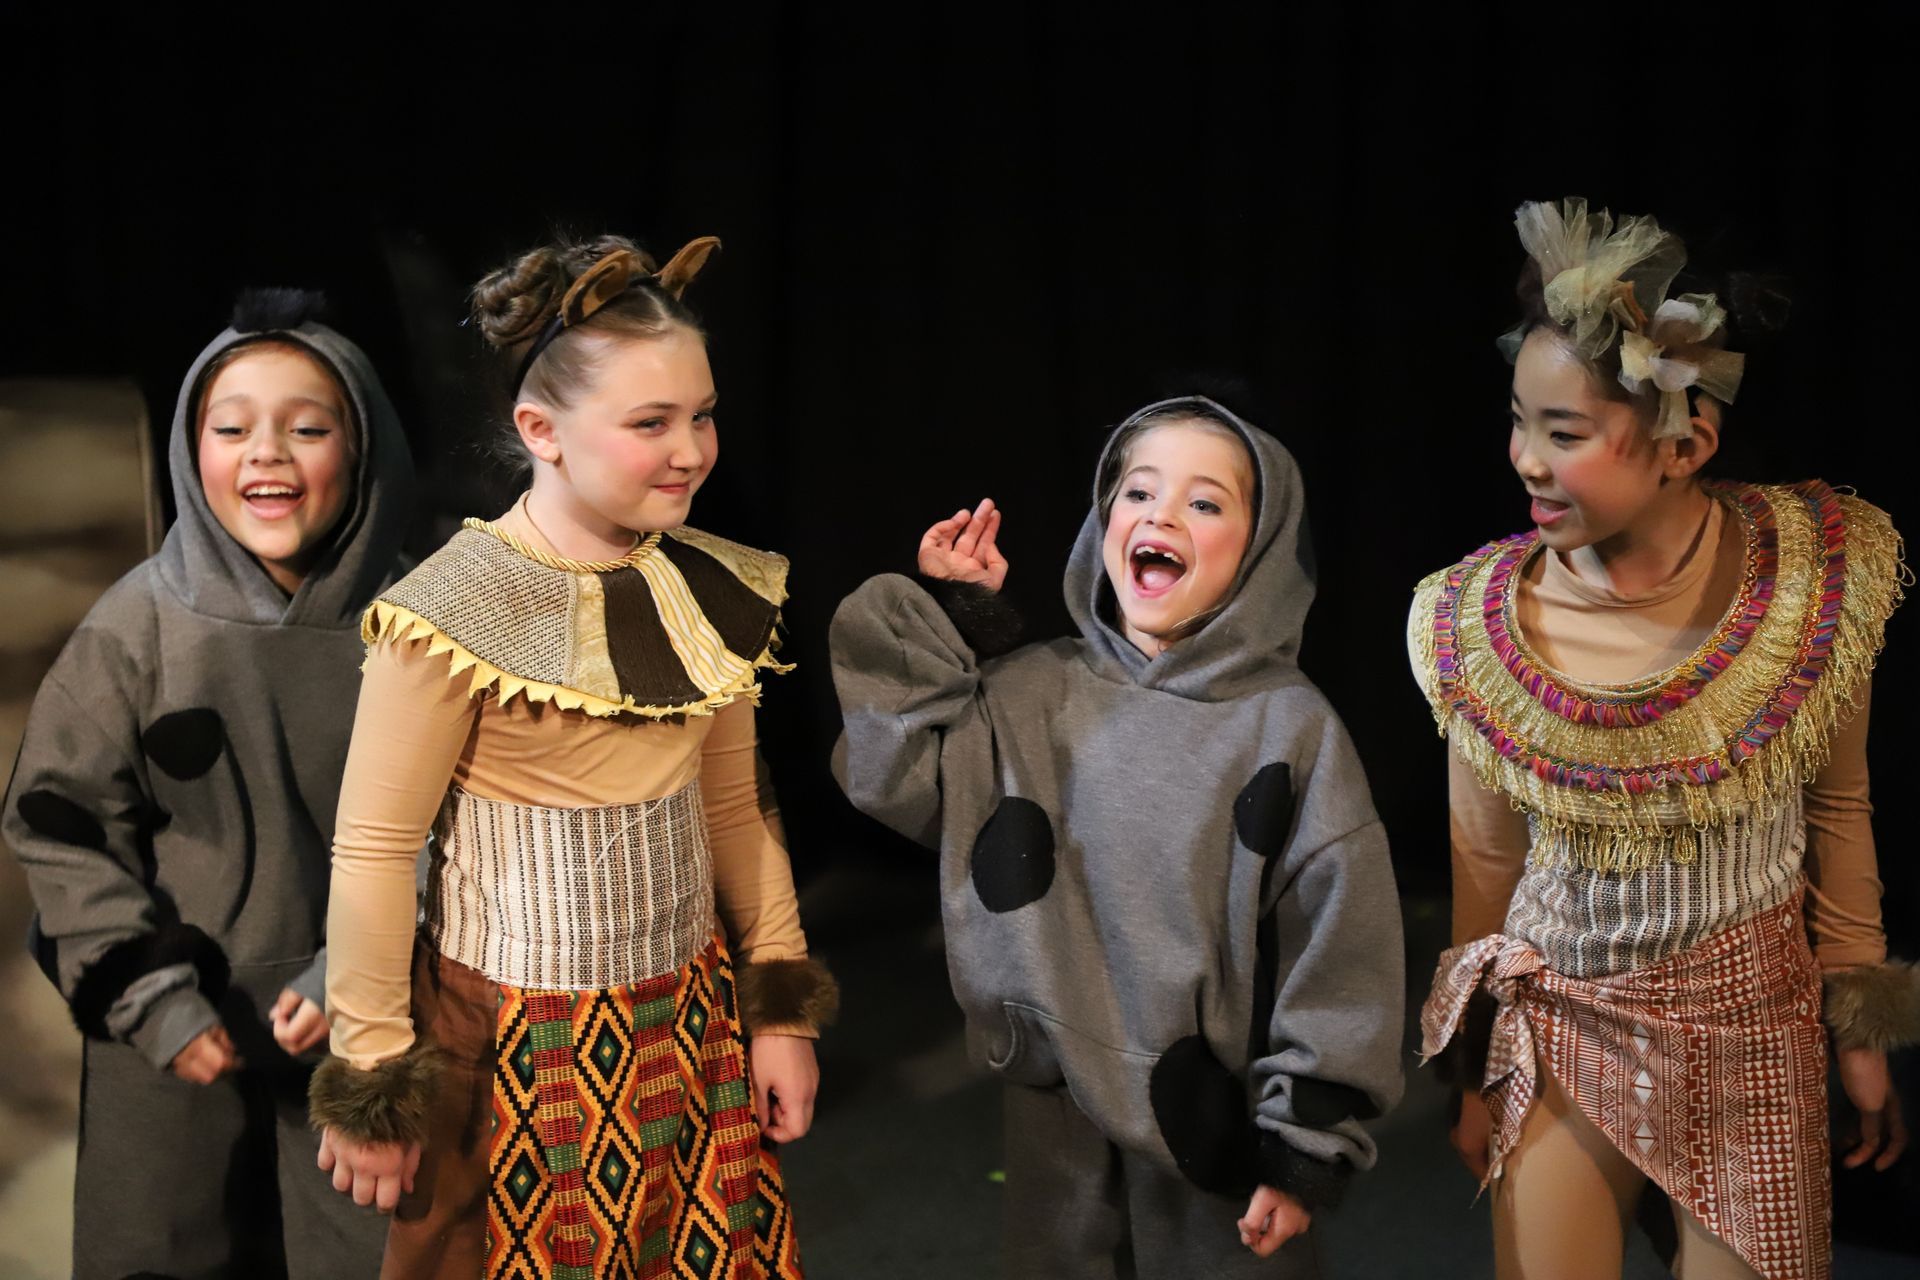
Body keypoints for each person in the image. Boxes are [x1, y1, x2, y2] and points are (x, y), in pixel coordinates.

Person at [308, 235, 828, 1280]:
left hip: (683, 1030)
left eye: (703, 414)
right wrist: (372, 1068)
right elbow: (371, 850)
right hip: (506, 1049)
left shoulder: (707, 592)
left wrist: (777, 1005)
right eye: (651, 423)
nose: (689, 448)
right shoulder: (452, 614)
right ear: (540, 429)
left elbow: (732, 810)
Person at [1414, 197, 1914, 1280]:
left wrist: (1859, 1026)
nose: (1526, 460)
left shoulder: (1810, 582)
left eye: (1566, 432)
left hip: (1751, 1026)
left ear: (1687, 441)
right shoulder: (1474, 623)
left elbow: (1836, 806)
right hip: (1564, 1021)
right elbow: (1487, 857)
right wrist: (1471, 1072)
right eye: (1517, 422)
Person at [832, 396, 1404, 1278]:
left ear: (1261, 549)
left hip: (1214, 1122)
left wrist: (1303, 1148)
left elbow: (1340, 948)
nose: (1162, 515)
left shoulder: (1287, 731)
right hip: (1053, 1100)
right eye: (1138, 492)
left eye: (1205, 503)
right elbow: (891, 777)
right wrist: (956, 623)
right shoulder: (1031, 690)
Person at [4, 289, 413, 1278]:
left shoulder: (419, 623)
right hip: (175, 1023)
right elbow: (59, 826)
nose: (266, 451)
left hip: (357, 1022)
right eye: (232, 427)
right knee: (160, 1245)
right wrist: (152, 999)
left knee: (373, 1251)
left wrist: (354, 977)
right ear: (194, 452)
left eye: (307, 427)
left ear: (360, 450)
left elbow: (470, 827)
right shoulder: (136, 627)